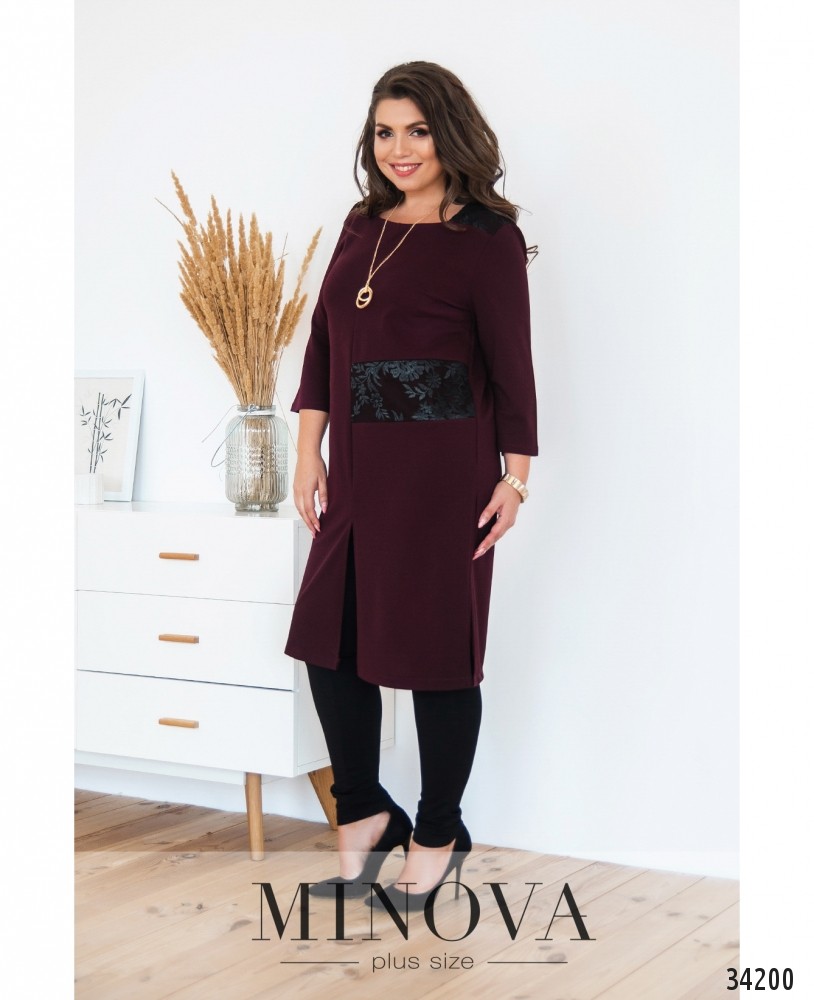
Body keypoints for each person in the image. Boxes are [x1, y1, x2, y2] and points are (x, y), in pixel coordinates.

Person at [285, 61, 538, 909]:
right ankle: (363, 813)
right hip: (358, 469)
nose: (401, 149)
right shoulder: (362, 224)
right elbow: (324, 342)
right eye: (386, 132)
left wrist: (516, 479)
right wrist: (310, 451)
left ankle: (436, 834)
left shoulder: (487, 237)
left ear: (449, 134)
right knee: (329, 643)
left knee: (437, 657)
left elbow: (512, 364)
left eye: (418, 131)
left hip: (443, 473)